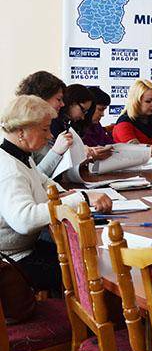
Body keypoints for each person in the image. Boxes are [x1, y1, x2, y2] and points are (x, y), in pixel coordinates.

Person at [0, 95, 112, 294]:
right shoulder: (10, 170)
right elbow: (25, 220)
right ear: (21, 131)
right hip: (12, 262)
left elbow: (42, 180)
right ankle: (80, 313)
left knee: (84, 257)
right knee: (87, 269)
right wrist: (83, 198)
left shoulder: (18, 155)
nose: (50, 135)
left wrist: (67, 194)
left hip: (25, 250)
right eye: (44, 129)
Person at [16, 71, 73, 177]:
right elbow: (31, 178)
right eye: (59, 99)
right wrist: (56, 151)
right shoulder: (24, 130)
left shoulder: (49, 122)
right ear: (41, 99)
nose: (63, 104)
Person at [49, 84, 113, 166]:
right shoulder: (53, 124)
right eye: (83, 110)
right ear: (71, 103)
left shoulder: (76, 124)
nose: (83, 117)